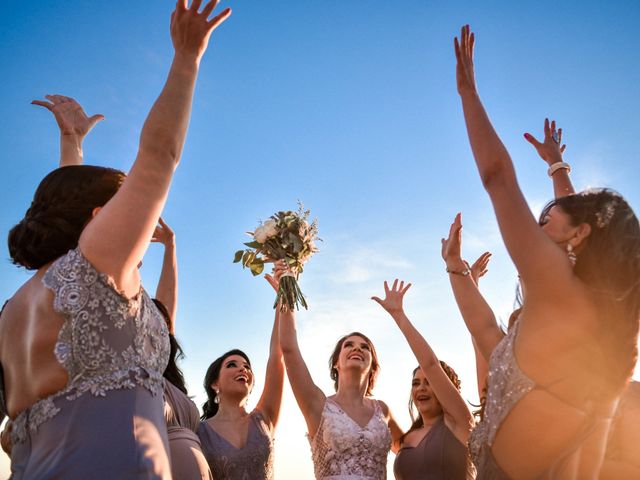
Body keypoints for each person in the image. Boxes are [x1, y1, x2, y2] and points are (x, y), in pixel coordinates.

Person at [0, 1, 231, 478]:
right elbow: (159, 155)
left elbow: (71, 221)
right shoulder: (94, 268)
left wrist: (74, 148)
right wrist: (187, 58)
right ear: (102, 216)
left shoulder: (16, 308)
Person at [454, 24, 640, 478]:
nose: (538, 224)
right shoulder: (610, 325)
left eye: (547, 219)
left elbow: (498, 176)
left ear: (578, 238)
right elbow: (577, 222)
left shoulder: (555, 289)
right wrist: (557, 167)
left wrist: (467, 93)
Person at [279, 285, 402, 480]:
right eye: (349, 345)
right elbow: (289, 349)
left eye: (365, 347)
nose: (357, 349)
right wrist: (287, 288)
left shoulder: (383, 411)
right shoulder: (318, 405)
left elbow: (410, 450)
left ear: (372, 365)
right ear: (336, 363)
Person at [372, 280, 475, 479]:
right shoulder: (404, 439)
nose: (421, 389)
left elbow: (430, 364)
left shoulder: (459, 424)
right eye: (416, 383)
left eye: (429, 383)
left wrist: (399, 316)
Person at [197, 263, 286, 479]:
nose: (242, 369)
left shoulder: (264, 418)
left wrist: (283, 299)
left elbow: (277, 356)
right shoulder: (199, 432)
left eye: (247, 366)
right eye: (232, 365)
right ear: (214, 384)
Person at [152, 218, 213, 480]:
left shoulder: (168, 375)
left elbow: (166, 307)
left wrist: (170, 246)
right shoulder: (137, 367)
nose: (161, 327)